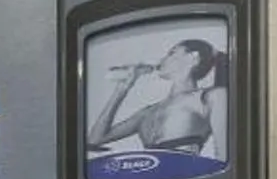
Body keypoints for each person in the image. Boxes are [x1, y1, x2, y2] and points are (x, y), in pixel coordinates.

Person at [90, 36, 227, 158]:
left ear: (193, 58)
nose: (162, 59)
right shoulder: (147, 112)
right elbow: (94, 140)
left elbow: (224, 156)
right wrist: (122, 88)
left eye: (171, 53)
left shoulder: (210, 97)